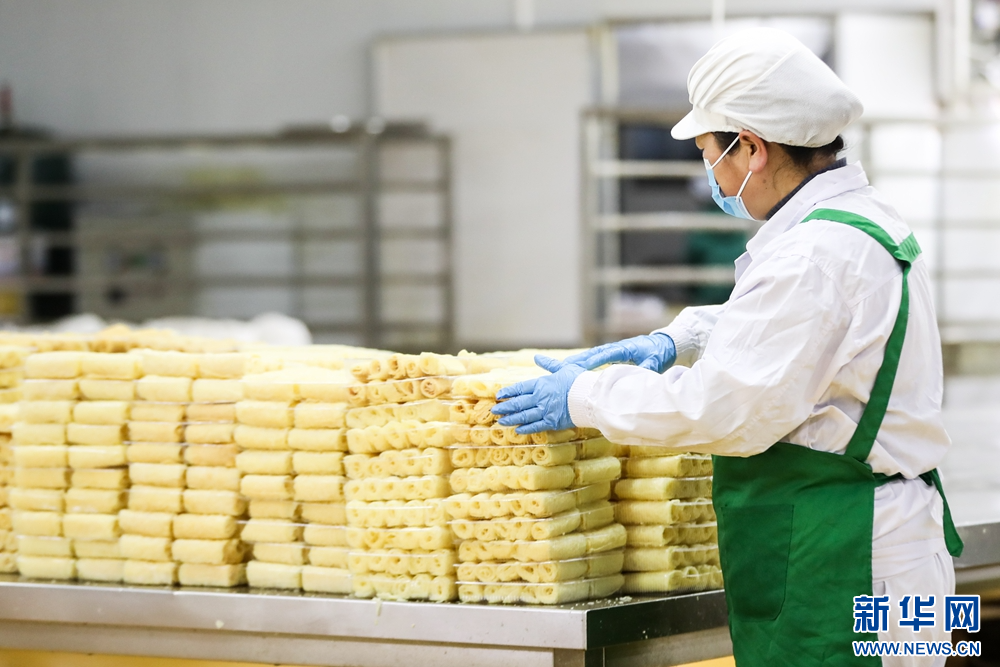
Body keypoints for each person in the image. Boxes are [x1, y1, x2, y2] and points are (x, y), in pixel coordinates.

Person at [493, 27, 963, 667]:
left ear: (751, 148)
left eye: (709, 152)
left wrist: (586, 396)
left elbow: (721, 410)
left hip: (850, 560)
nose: (710, 172)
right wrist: (679, 338)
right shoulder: (860, 221)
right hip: (899, 556)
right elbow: (809, 332)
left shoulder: (813, 254)